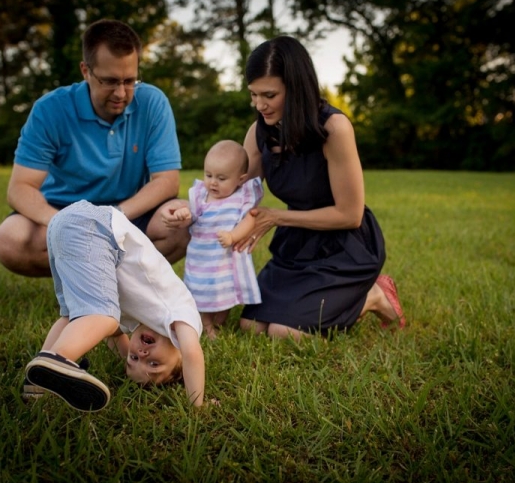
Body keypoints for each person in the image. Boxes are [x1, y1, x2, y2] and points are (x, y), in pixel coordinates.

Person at [233, 35, 407, 341]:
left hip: (344, 248)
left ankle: (373, 295)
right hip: (296, 246)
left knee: (285, 333)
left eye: (269, 95)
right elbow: (237, 195)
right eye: (253, 94)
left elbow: (350, 215)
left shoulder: (334, 128)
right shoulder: (259, 132)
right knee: (251, 326)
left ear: (296, 88)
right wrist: (194, 209)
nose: (259, 105)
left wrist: (277, 217)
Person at [0, 19, 189, 277]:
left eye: (129, 80)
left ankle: (116, 285)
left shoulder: (153, 102)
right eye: (110, 81)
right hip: (63, 213)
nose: (121, 93)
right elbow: (20, 188)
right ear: (85, 71)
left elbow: (167, 181)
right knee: (9, 240)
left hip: (128, 214)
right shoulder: (50, 109)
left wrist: (114, 218)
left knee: (185, 220)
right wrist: (66, 224)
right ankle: (91, 279)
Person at [24, 200, 205, 410]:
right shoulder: (181, 314)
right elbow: (192, 353)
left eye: (133, 358)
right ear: (179, 355)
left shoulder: (140, 316)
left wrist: (126, 354)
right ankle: (58, 360)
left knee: (73, 317)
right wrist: (198, 405)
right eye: (154, 364)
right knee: (104, 318)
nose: (142, 355)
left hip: (64, 225)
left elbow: (116, 336)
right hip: (97, 228)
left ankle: (36, 385)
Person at [172, 140, 264, 339]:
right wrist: (183, 214)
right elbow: (192, 215)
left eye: (221, 178)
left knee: (225, 294)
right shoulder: (201, 196)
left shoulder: (240, 199)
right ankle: (206, 324)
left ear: (240, 180)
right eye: (209, 175)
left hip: (225, 261)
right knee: (203, 292)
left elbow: (249, 220)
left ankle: (220, 322)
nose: (213, 182)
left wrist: (233, 236)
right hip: (202, 259)